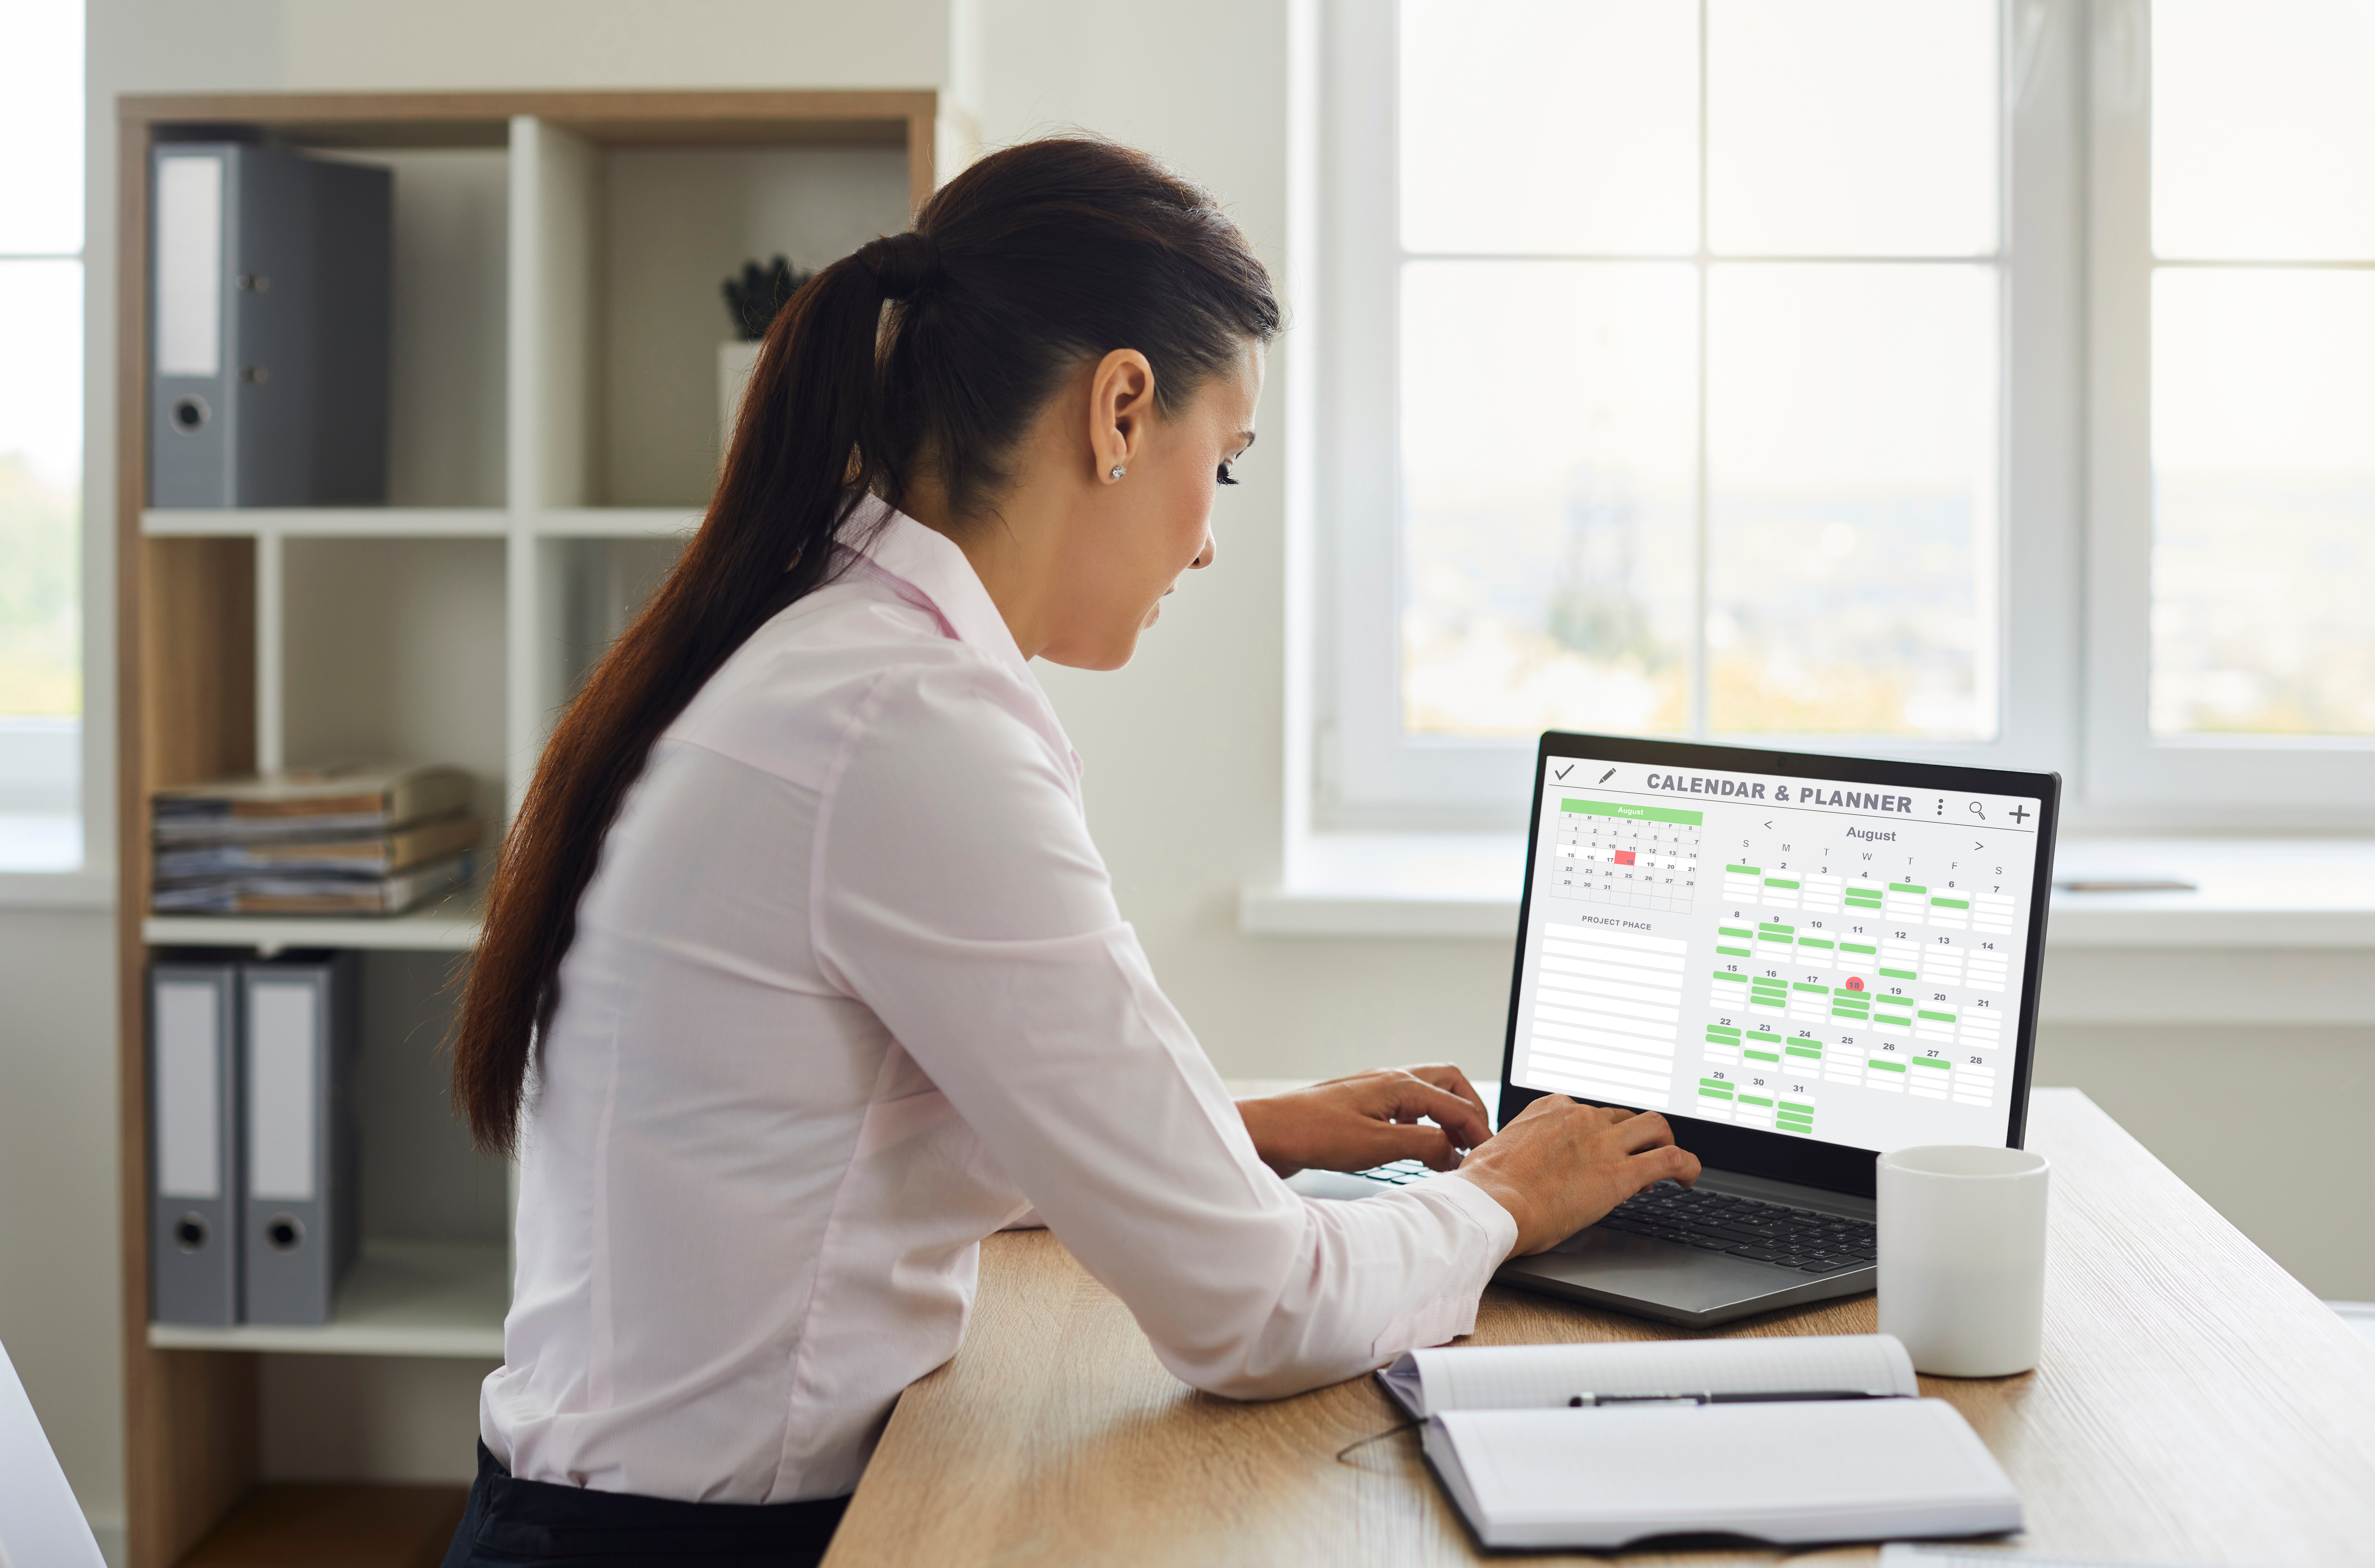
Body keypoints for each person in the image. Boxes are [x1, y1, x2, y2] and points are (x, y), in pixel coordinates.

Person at [441, 136, 1698, 1568]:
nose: (1211, 541)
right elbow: (1252, 1314)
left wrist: (1233, 1131)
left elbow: (854, 1122)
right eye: (1221, 463)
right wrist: (1500, 1200)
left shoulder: (823, 642)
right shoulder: (905, 723)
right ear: (1118, 407)